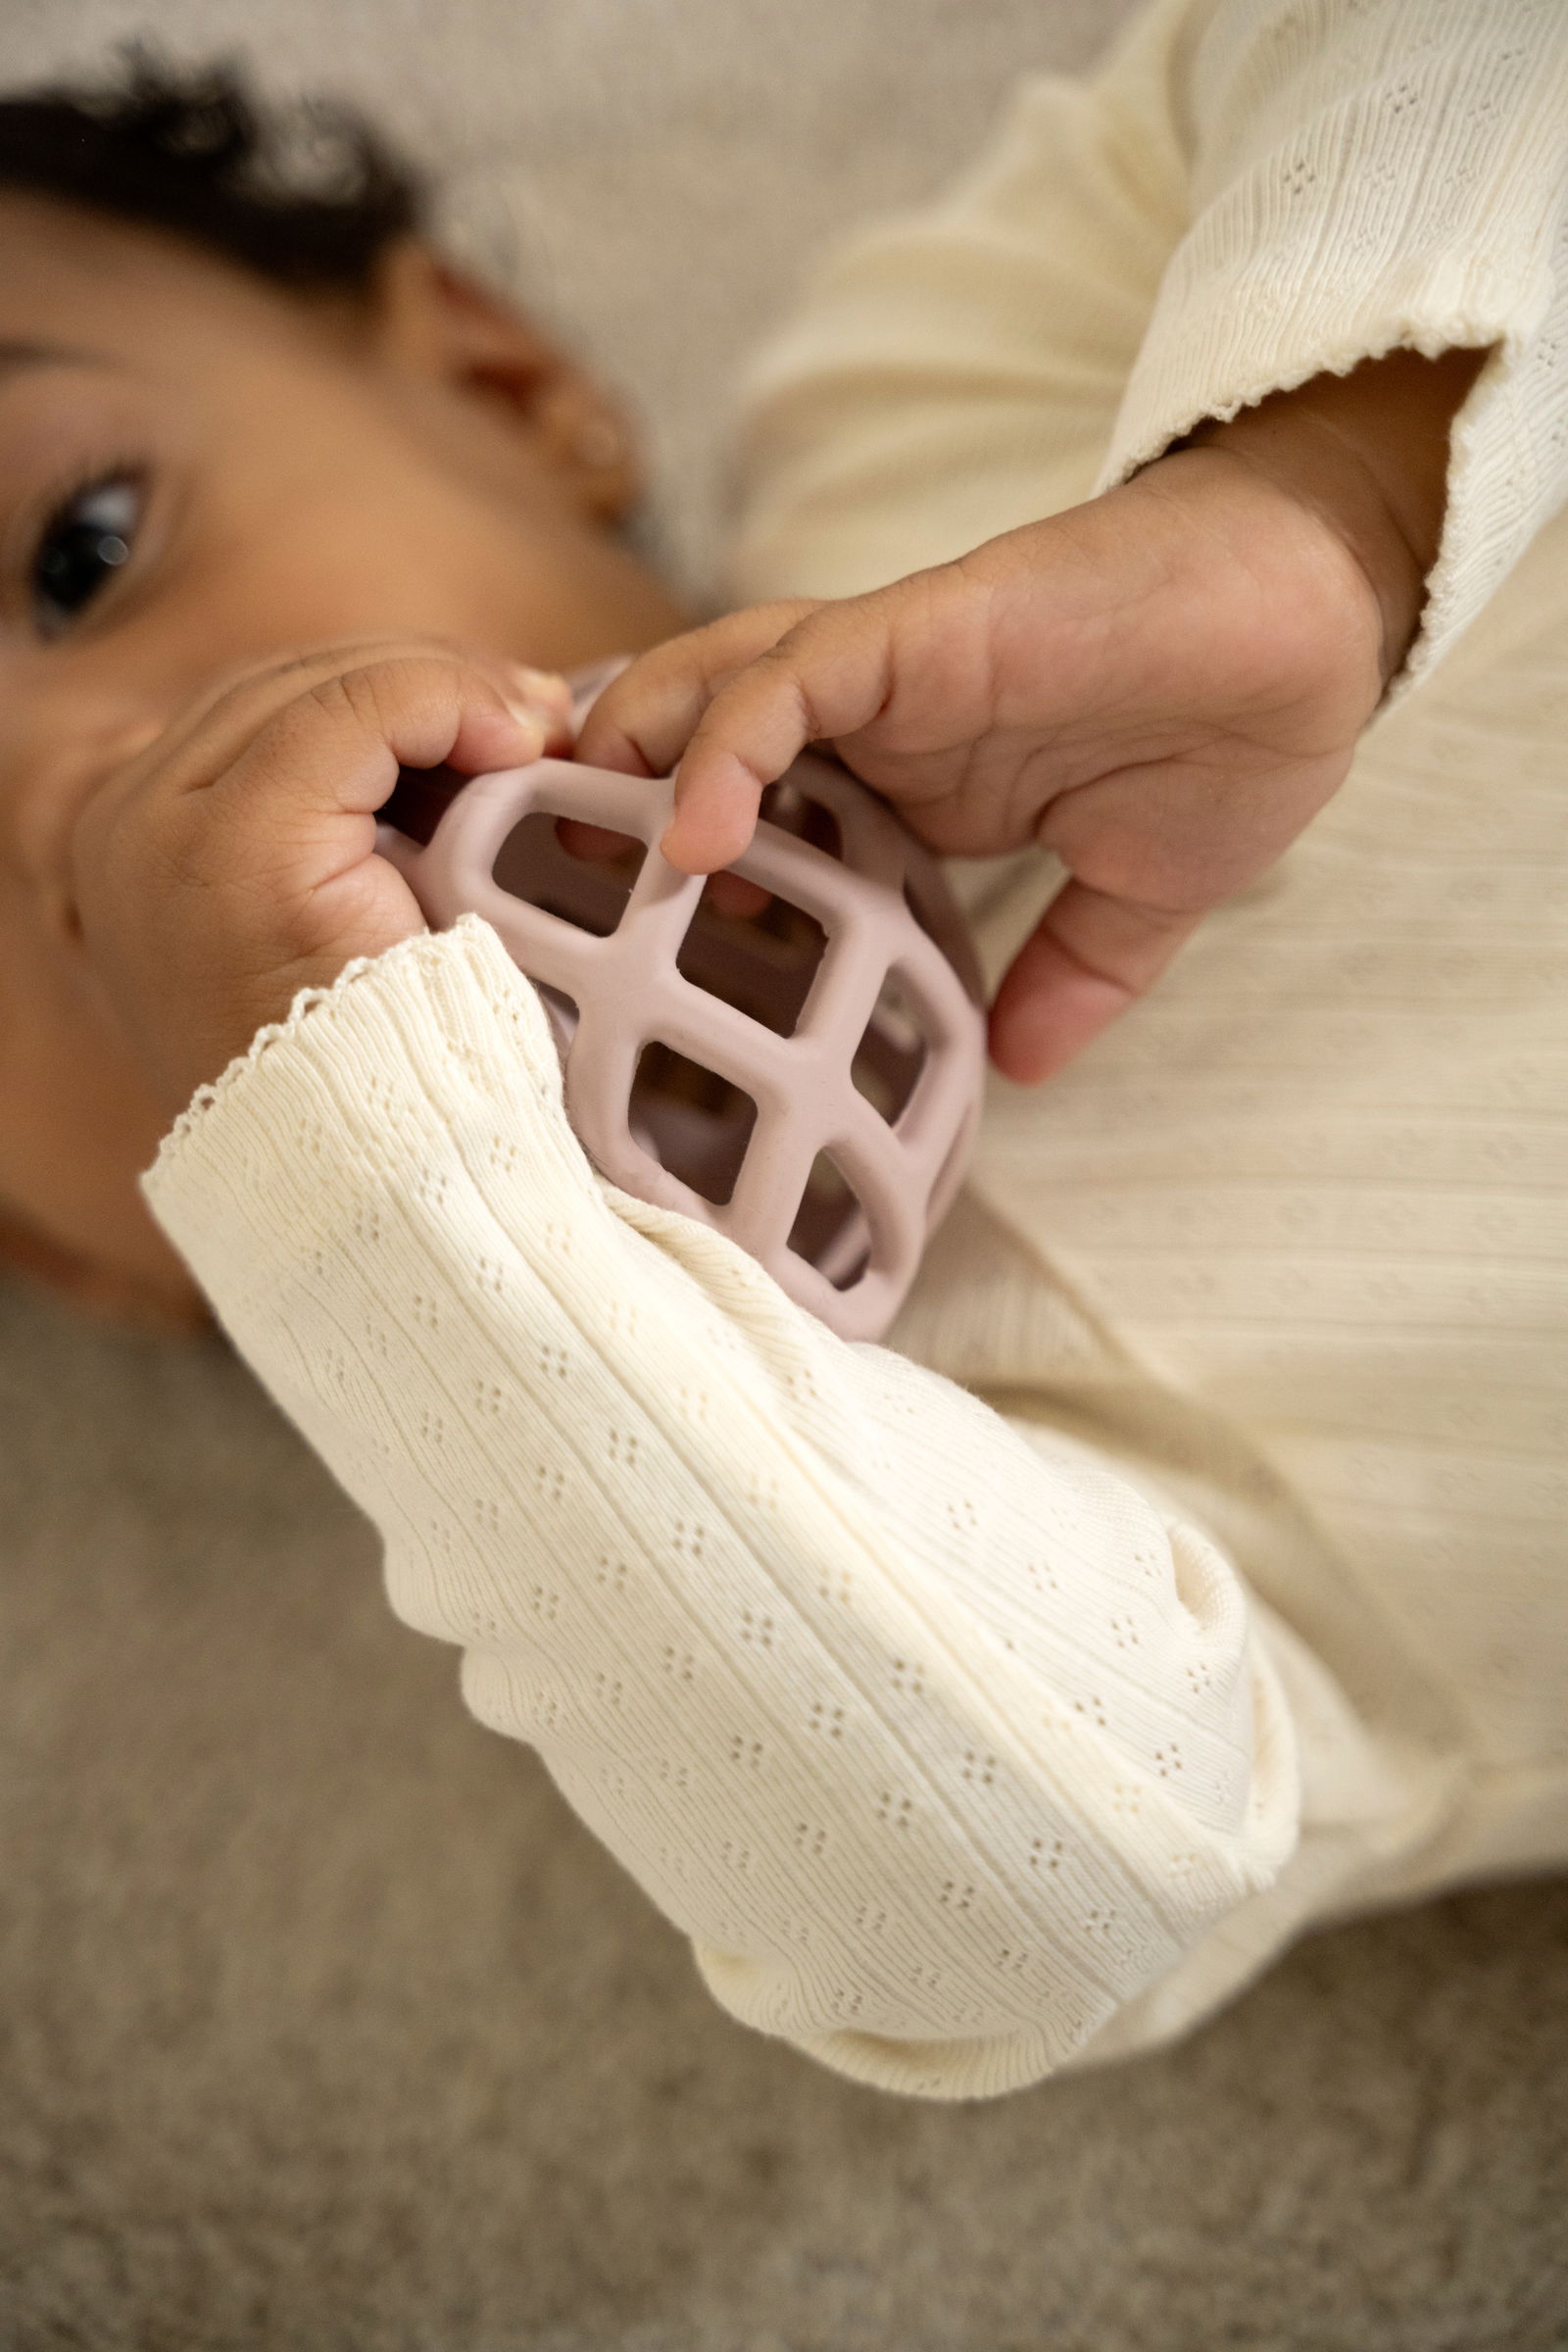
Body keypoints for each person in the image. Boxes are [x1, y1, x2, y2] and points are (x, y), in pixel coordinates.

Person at [7, 0, 1567, 2098]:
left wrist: (1321, 481)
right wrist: (364, 1168)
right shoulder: (803, 1554)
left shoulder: (923, 412)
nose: (86, 788)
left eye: (78, 552)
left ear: (501, 384)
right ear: (82, 1264)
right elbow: (1009, 1901)